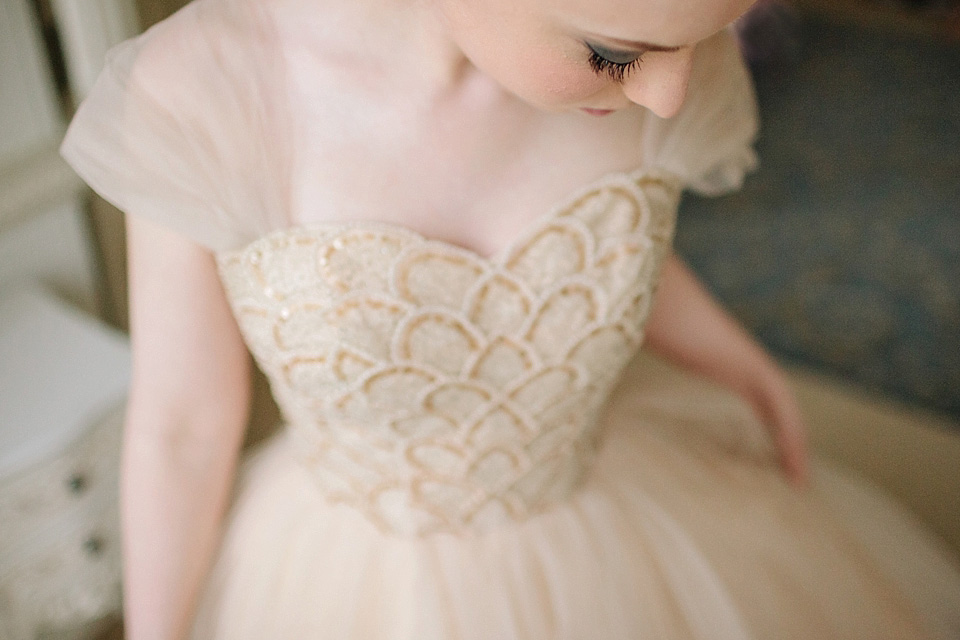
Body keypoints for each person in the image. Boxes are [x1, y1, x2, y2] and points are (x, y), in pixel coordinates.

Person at [59, 0, 960, 636]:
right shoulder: (206, 91)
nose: (672, 96)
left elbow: (614, 236)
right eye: (614, 55)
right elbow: (182, 425)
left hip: (606, 514)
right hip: (356, 571)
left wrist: (739, 360)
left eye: (719, 31)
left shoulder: (661, 55)